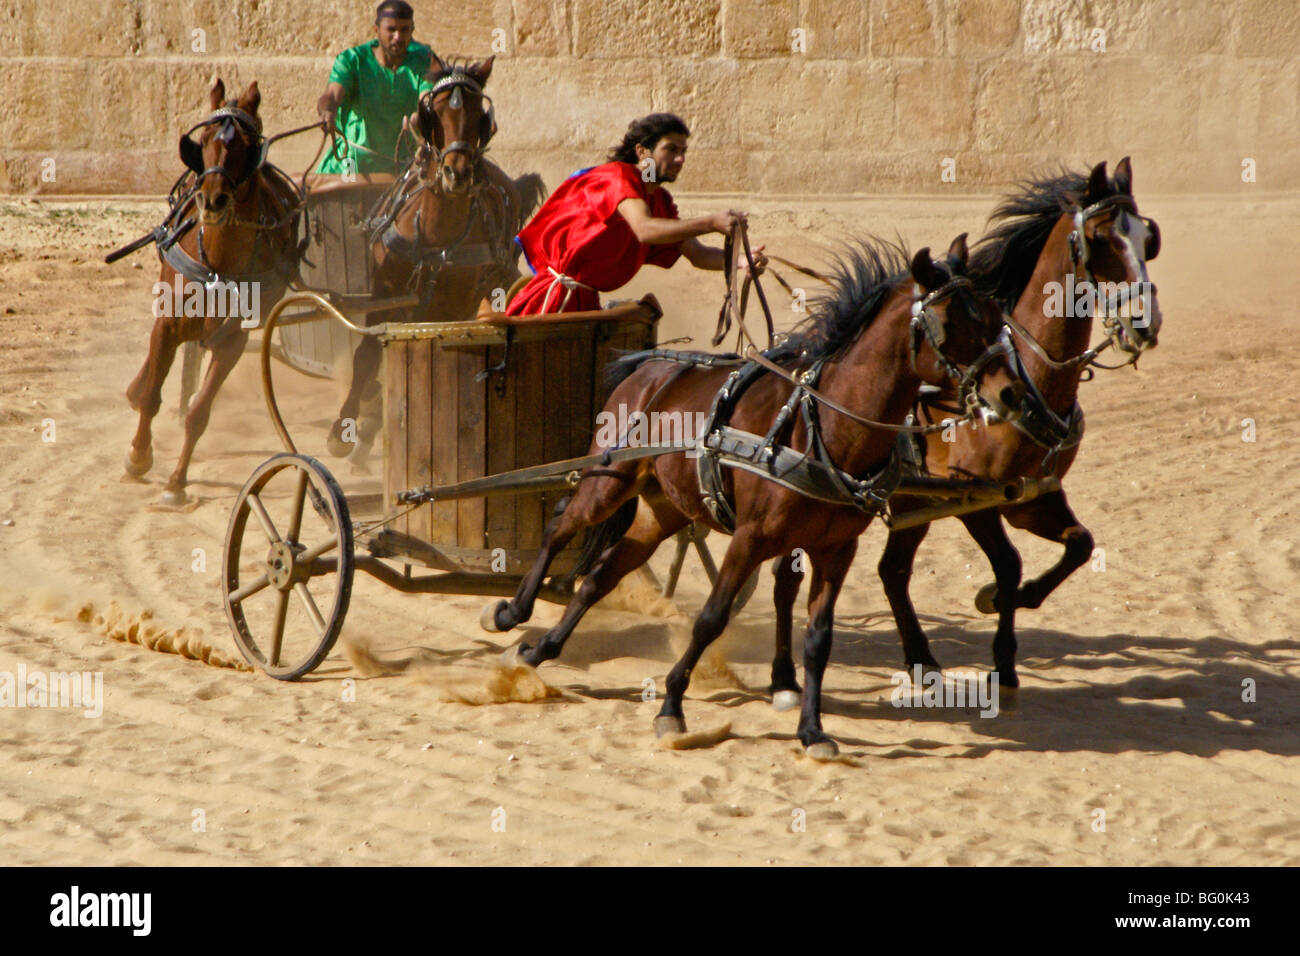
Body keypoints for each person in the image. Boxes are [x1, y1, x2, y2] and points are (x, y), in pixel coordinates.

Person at [505, 113, 764, 316]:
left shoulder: (660, 201)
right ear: (643, 152)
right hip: (552, 305)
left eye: (683, 151)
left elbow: (698, 255)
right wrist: (710, 222)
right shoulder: (620, 177)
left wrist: (742, 261)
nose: (680, 159)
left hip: (586, 305)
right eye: (671, 150)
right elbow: (644, 228)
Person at [315, 1, 438, 175]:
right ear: (376, 29)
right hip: (350, 163)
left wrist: (421, 117)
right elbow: (333, 94)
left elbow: (427, 97)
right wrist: (327, 110)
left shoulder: (424, 61)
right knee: (344, 194)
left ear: (412, 31)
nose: (398, 37)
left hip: (400, 169)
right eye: (391, 30)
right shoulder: (353, 60)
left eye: (404, 30)